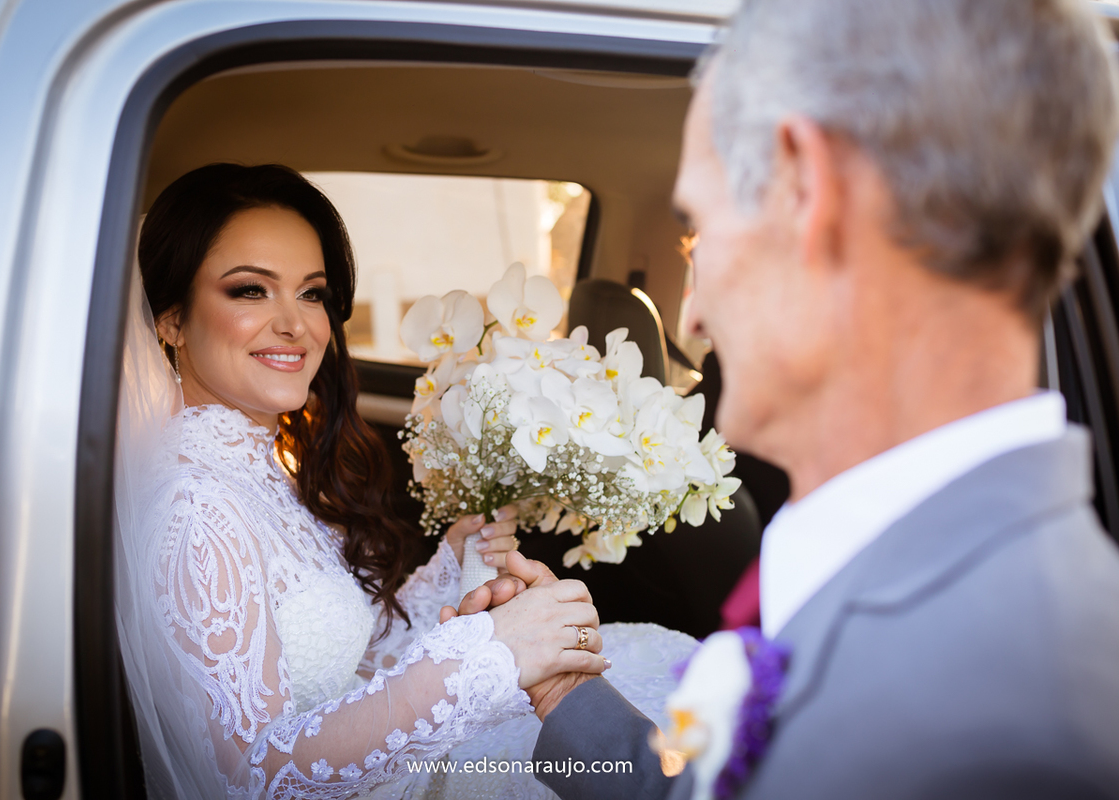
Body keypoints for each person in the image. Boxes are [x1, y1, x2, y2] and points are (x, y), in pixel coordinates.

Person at [447, 1, 1119, 798]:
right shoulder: (919, 580)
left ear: (810, 189)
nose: (691, 315)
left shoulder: (987, 727)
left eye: (701, 229)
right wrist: (561, 689)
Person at [112, 163, 698, 800]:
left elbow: (341, 672)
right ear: (169, 319)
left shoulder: (259, 466)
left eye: (311, 293)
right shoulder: (195, 506)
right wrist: (490, 654)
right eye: (251, 290)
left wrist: (455, 561)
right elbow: (258, 778)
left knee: (665, 680)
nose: (297, 324)